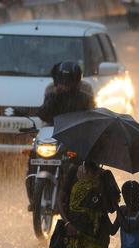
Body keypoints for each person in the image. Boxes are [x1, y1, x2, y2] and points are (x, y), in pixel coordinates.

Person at [26, 61, 95, 210]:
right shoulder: (51, 90)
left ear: (76, 81)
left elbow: (90, 115)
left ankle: (79, 196)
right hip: (52, 133)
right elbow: (44, 114)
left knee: (81, 160)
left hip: (76, 134)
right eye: (61, 81)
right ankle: (33, 197)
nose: (64, 85)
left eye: (68, 82)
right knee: (32, 155)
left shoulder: (86, 91)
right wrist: (55, 95)